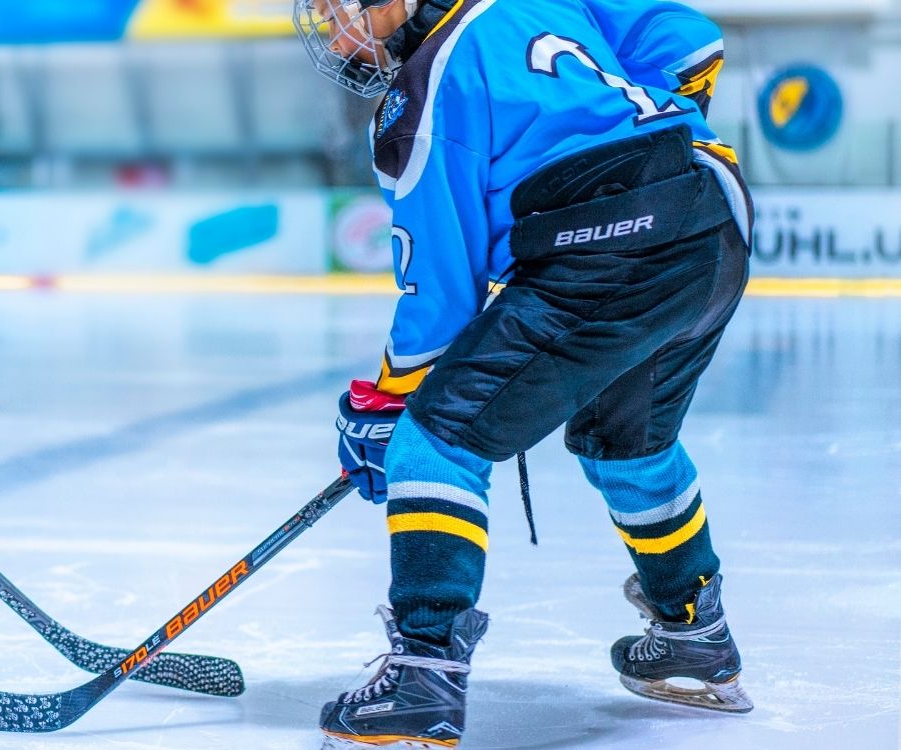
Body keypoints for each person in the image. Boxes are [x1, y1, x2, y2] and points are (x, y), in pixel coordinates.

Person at [294, 0, 755, 746]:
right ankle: (695, 636)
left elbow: (440, 301)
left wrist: (390, 404)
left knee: (435, 441)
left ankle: (424, 676)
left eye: (337, 7)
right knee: (629, 444)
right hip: (714, 214)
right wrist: (641, 150)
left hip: (614, 241)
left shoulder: (418, 98)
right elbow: (689, 42)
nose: (329, 27)